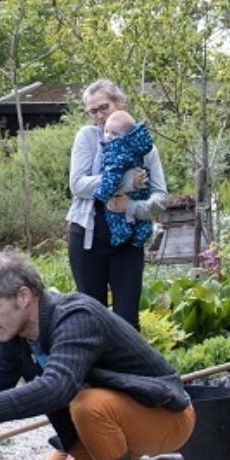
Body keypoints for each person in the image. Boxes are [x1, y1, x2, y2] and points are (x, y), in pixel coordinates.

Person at [0, 249, 195, 460]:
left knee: (88, 405)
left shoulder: (76, 316)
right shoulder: (12, 337)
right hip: (102, 430)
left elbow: (57, 387)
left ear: (23, 296)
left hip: (164, 415)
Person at [66, 79, 167, 330]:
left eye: (103, 107)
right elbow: (77, 184)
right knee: (93, 319)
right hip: (87, 240)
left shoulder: (145, 147)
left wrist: (131, 208)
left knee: (127, 321)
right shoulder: (87, 137)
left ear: (119, 103)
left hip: (128, 241)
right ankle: (98, 371)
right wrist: (126, 182)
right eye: (93, 111)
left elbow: (160, 198)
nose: (99, 116)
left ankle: (131, 370)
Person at [95, 110, 154, 249]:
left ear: (126, 136)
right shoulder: (135, 146)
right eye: (107, 132)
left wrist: (103, 191)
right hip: (142, 188)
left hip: (120, 193)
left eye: (115, 134)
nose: (109, 136)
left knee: (113, 212)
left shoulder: (115, 149)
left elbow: (112, 173)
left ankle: (121, 233)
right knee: (142, 218)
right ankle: (143, 231)